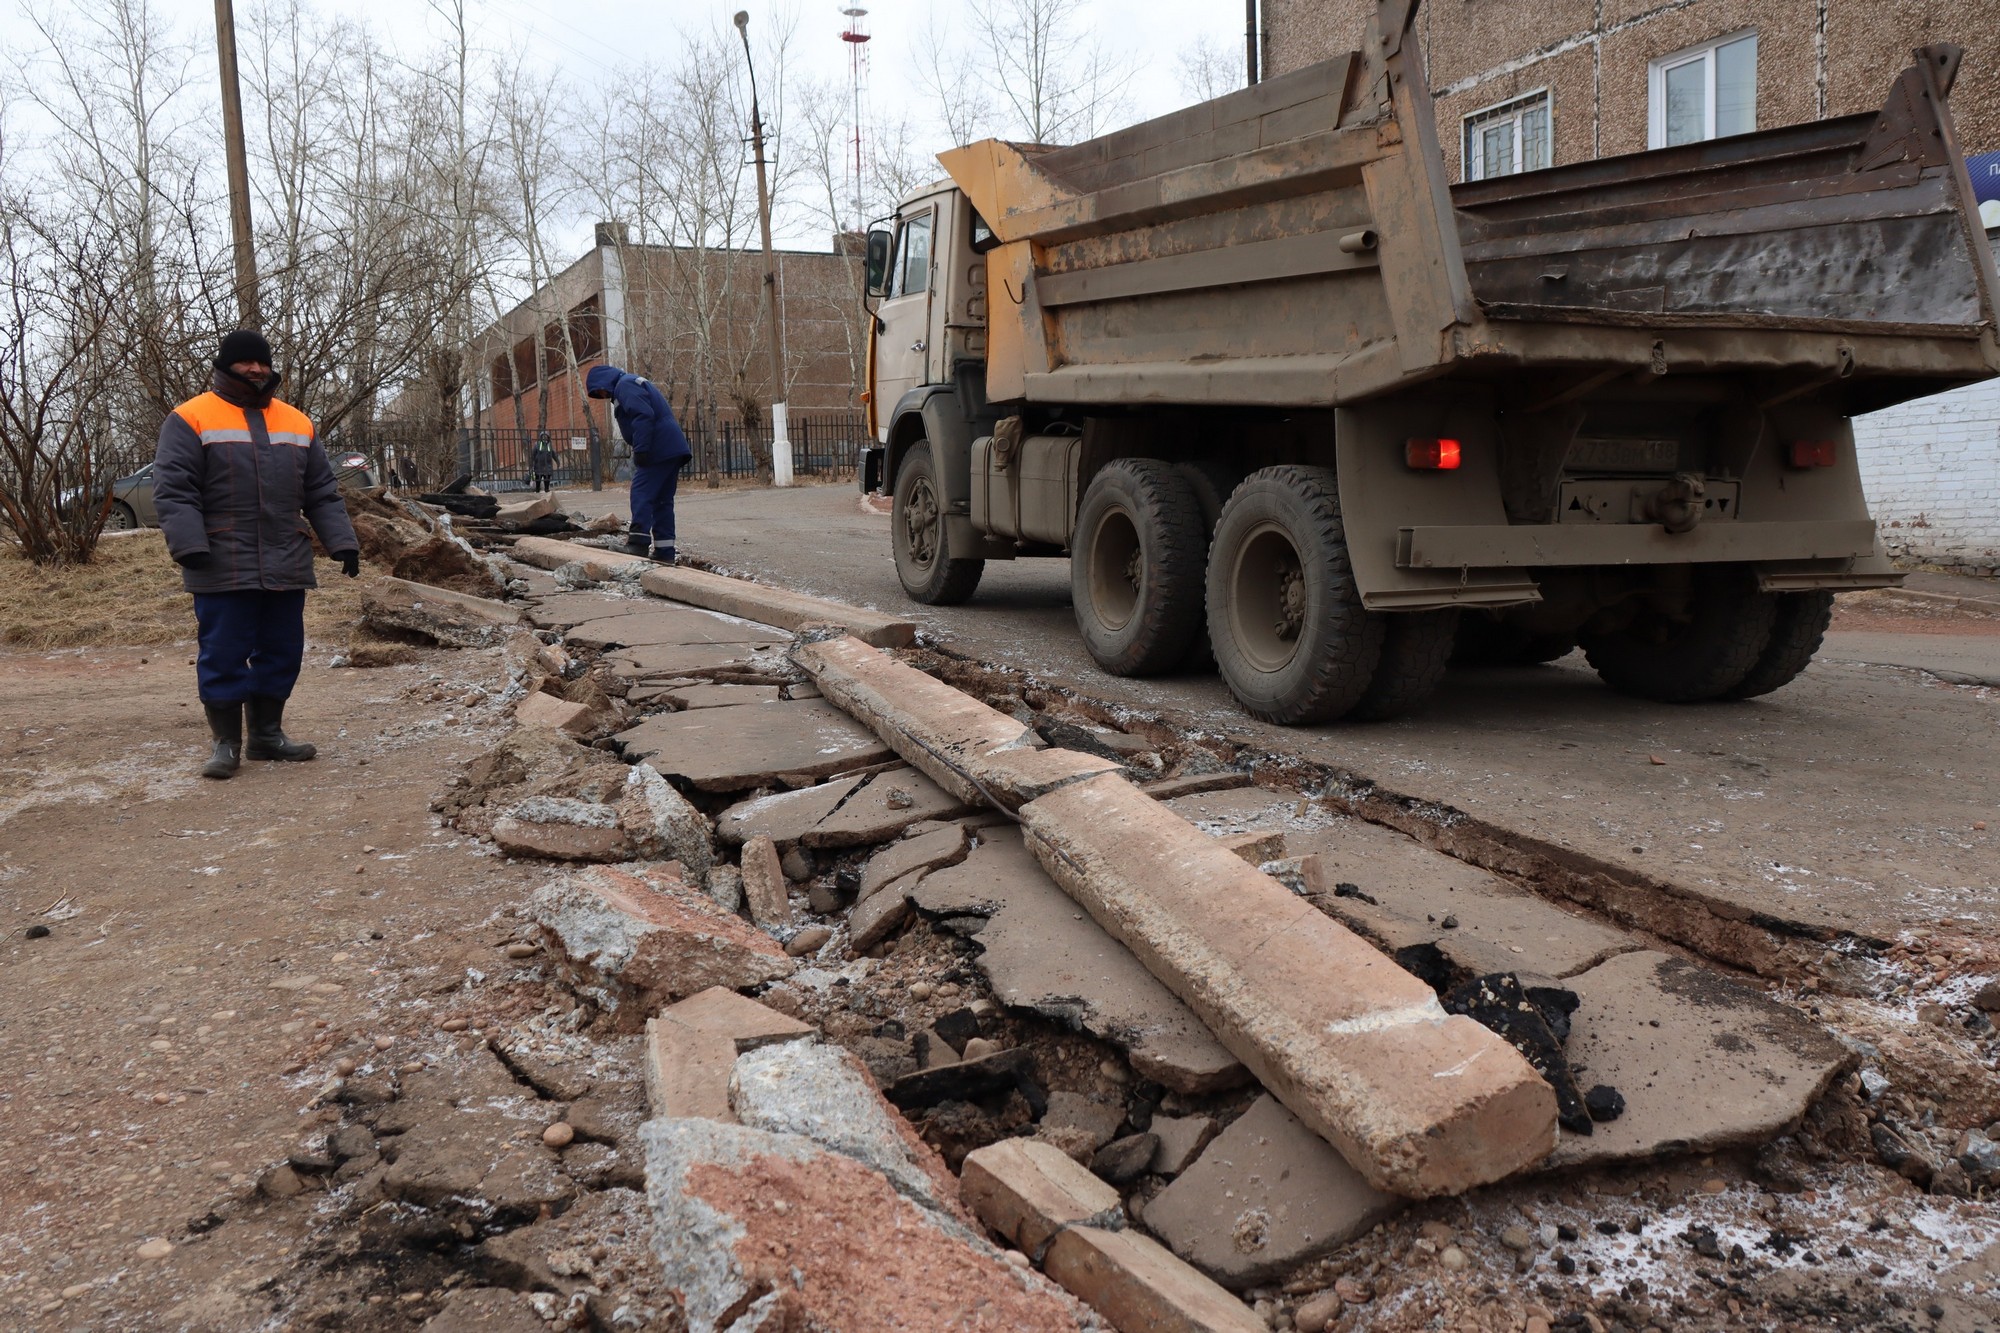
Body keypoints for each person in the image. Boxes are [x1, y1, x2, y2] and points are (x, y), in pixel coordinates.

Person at [153, 329, 361, 781]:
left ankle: (266, 735)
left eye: (262, 362)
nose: (256, 369)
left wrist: (342, 541)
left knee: (282, 650)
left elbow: (322, 492)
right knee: (223, 653)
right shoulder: (191, 417)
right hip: (220, 559)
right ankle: (225, 744)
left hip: (287, 556)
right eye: (246, 362)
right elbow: (174, 492)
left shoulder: (298, 422)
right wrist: (189, 546)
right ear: (226, 366)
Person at [585, 364, 691, 562]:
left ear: (604, 380)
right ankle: (664, 551)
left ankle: (638, 544)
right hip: (672, 447)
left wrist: (641, 449)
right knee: (662, 500)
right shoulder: (631, 382)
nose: (602, 394)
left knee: (641, 492)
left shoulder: (624, 386)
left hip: (658, 447)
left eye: (599, 389)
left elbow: (643, 415)